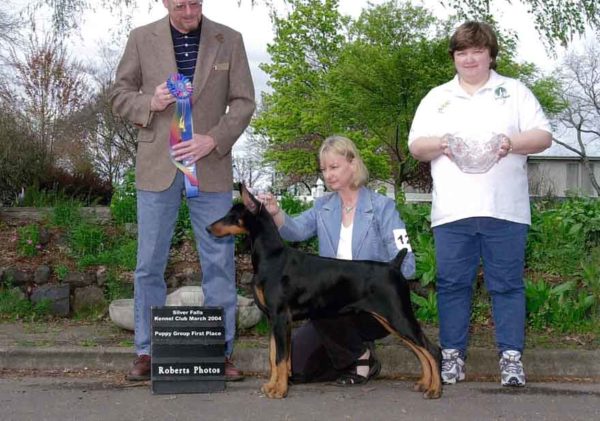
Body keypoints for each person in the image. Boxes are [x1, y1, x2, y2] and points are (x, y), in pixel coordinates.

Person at [110, 0, 255, 381]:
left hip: (210, 167)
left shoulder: (231, 40)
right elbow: (119, 94)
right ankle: (147, 351)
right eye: (180, 5)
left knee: (220, 263)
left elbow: (243, 102)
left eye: (195, 3)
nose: (189, 12)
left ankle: (219, 352)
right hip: (158, 168)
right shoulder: (142, 39)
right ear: (164, 2)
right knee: (148, 265)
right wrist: (150, 102)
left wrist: (214, 139)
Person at [408, 21, 552, 387]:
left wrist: (510, 143)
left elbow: (543, 136)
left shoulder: (515, 91)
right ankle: (453, 358)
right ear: (454, 57)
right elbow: (415, 146)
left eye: (477, 51)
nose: (469, 59)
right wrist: (442, 143)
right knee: (453, 285)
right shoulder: (437, 97)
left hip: (505, 210)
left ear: (490, 54)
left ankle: (511, 360)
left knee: (507, 286)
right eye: (461, 53)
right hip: (452, 213)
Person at [259, 135, 416, 385]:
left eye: (334, 167)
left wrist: (380, 283)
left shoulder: (383, 207)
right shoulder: (323, 207)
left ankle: (361, 357)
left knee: (325, 299)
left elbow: (407, 262)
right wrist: (276, 213)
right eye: (323, 169)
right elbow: (296, 231)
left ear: (352, 164)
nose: (327, 175)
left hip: (372, 304)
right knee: (298, 369)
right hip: (331, 311)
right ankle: (350, 354)